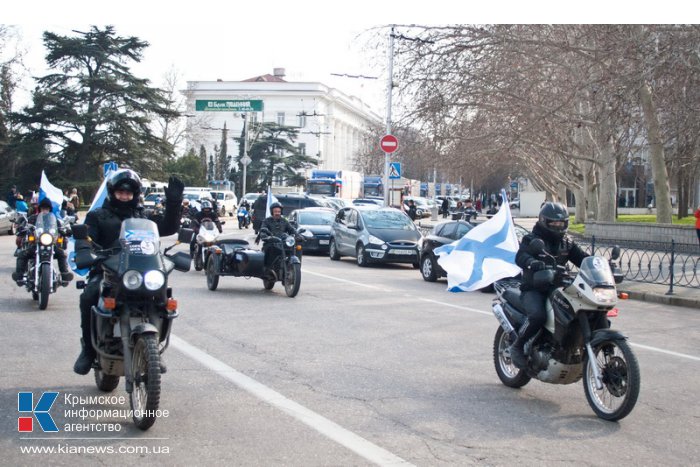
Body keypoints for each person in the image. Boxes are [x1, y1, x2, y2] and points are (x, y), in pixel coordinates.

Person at [72, 170, 184, 375]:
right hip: (108, 270)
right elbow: (85, 237)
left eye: (129, 193)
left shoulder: (142, 216)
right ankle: (88, 350)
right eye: (120, 192)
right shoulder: (98, 215)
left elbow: (168, 227)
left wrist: (174, 203)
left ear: (135, 195)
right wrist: (84, 252)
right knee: (89, 295)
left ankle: (154, 352)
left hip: (140, 270)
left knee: (164, 299)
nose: (124, 196)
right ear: (112, 192)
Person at [509, 202, 589, 369]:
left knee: (580, 309)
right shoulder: (532, 240)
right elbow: (520, 256)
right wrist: (532, 262)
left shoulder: (567, 243)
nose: (558, 226)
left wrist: (601, 264)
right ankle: (517, 345)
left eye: (561, 223)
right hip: (535, 288)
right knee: (538, 316)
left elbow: (583, 259)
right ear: (544, 221)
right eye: (554, 223)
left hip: (560, 287)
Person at [12, 197, 74, 285]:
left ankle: (64, 275)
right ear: (40, 208)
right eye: (43, 208)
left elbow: (61, 228)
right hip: (36, 244)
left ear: (50, 209)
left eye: (47, 208)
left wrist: (67, 231)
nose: (45, 210)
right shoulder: (33, 218)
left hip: (51, 244)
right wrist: (22, 228)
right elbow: (24, 225)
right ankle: (19, 276)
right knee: (22, 254)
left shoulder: (55, 220)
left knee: (62, 254)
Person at [258, 202, 297, 269]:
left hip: (283, 242)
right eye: (275, 211)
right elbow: (263, 230)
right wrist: (265, 236)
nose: (277, 213)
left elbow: (291, 229)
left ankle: (290, 265)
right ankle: (267, 268)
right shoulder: (267, 221)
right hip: (271, 242)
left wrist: (298, 235)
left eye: (279, 211)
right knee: (268, 250)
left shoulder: (284, 221)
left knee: (293, 247)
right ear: (272, 212)